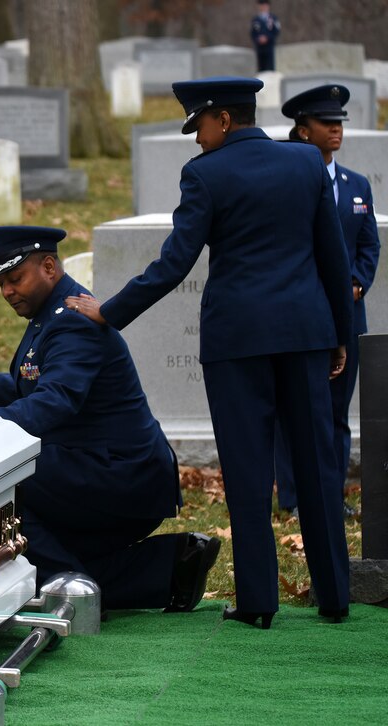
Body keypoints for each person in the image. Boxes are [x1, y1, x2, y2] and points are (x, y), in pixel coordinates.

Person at [66, 77, 353, 630]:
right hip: (305, 334)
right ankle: (335, 596)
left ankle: (258, 603)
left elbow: (174, 262)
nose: (196, 139)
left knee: (247, 469)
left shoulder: (205, 174)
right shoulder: (306, 163)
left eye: (198, 125)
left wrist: (110, 311)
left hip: (238, 341)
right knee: (318, 465)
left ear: (222, 119)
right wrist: (340, 332)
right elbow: (332, 257)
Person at [0, 225, 220, 614]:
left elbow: (55, 401)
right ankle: (172, 566)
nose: (7, 291)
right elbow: (37, 384)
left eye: (15, 278)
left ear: (50, 267)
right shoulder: (54, 312)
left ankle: (67, 594)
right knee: (44, 544)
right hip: (99, 469)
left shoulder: (73, 320)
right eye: (1, 283)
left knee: (5, 485)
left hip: (122, 476)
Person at [275, 84, 381, 520]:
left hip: (346, 317)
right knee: (295, 409)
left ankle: (331, 494)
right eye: (327, 123)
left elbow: (369, 245)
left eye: (340, 123)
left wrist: (355, 283)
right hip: (302, 314)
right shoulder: (285, 183)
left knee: (337, 411)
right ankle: (296, 497)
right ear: (302, 130)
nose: (337, 130)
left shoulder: (356, 185)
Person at [250, 1, 281, 72]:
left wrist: (267, 38)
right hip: (259, 48)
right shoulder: (255, 20)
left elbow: (276, 31)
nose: (263, 7)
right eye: (262, 5)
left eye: (265, 5)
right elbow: (252, 33)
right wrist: (258, 39)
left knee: (270, 68)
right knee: (261, 69)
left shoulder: (273, 18)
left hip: (270, 47)